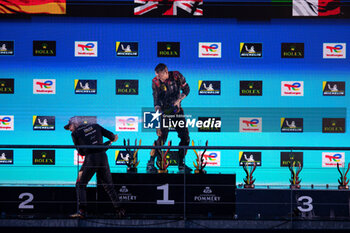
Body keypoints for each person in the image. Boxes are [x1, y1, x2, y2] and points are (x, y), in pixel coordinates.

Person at [64, 116, 125, 218]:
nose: (69, 129)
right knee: (109, 186)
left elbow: (81, 152)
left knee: (80, 185)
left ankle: (82, 212)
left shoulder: (75, 134)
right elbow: (113, 137)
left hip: (91, 158)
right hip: (102, 157)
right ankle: (120, 211)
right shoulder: (95, 126)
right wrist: (110, 142)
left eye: (69, 126)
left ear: (75, 124)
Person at [147, 63, 192, 174]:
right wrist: (158, 117)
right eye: (156, 75)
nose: (157, 78)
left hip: (177, 111)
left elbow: (186, 89)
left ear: (166, 72)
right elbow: (156, 100)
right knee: (162, 138)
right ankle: (151, 163)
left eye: (159, 75)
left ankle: (181, 164)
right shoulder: (155, 82)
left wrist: (178, 100)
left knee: (185, 138)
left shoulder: (177, 76)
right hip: (165, 113)